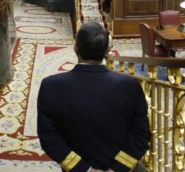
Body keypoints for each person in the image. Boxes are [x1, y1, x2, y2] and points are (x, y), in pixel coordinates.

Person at [37, 22, 150, 172]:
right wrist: (116, 168)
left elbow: (49, 137)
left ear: (75, 47)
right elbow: (140, 134)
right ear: (107, 51)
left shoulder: (50, 86)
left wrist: (85, 169)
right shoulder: (130, 86)